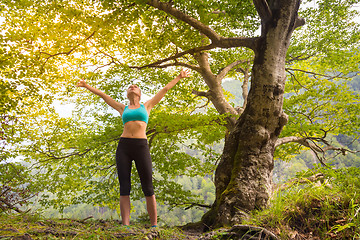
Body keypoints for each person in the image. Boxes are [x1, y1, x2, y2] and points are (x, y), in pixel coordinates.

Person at [77, 69, 190, 228]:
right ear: (127, 94)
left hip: (141, 147)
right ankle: (125, 225)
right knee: (124, 186)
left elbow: (165, 89)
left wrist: (179, 77)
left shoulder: (147, 105)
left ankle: (154, 225)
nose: (132, 87)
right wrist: (86, 85)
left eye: (135, 86)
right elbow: (104, 96)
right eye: (130, 86)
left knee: (148, 186)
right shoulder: (123, 108)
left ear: (139, 93)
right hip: (124, 147)